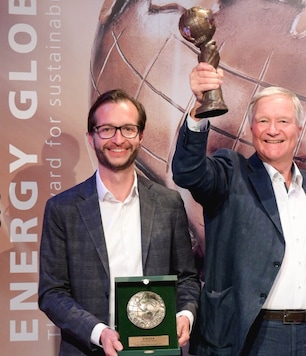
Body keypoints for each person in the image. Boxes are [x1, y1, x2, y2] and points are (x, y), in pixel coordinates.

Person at [171, 62, 306, 355]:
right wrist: (200, 109)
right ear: (251, 128)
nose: (272, 130)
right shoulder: (229, 173)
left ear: (299, 129)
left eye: (283, 122)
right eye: (263, 121)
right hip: (252, 335)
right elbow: (188, 171)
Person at [38, 89, 200, 356]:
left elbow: (187, 278)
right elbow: (52, 293)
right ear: (91, 138)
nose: (118, 139)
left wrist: (185, 314)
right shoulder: (63, 209)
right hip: (88, 349)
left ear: (140, 137)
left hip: (156, 349)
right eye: (107, 129)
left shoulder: (168, 203)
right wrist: (99, 332)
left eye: (127, 129)